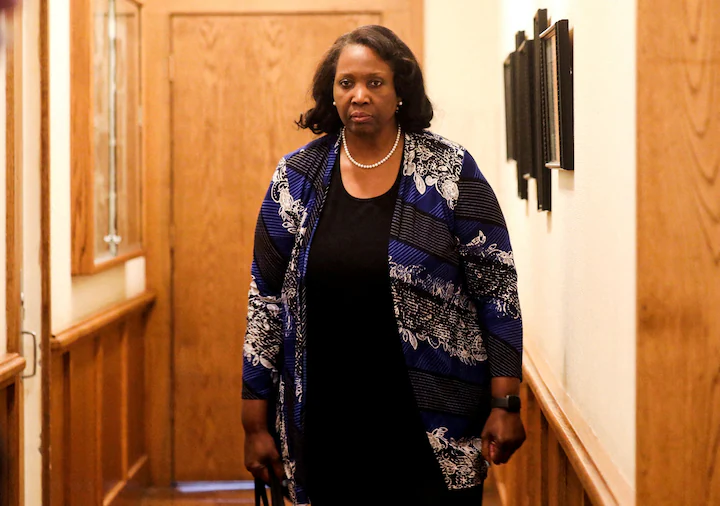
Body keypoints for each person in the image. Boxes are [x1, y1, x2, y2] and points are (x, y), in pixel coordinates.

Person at [242, 24, 525, 506]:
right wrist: (254, 424)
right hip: (326, 425)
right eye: (346, 82)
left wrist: (506, 402)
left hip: (434, 425)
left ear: (400, 92)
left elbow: (497, 291)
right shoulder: (297, 177)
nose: (359, 95)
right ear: (331, 93)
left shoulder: (450, 171)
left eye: (375, 82)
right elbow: (264, 302)